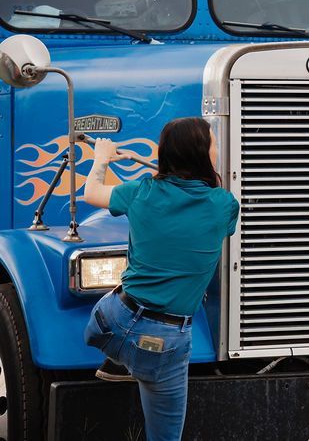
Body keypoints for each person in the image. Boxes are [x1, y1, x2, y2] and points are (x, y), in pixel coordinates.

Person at [82, 117, 239, 441]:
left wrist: (102, 157)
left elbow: (92, 193)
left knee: (110, 331)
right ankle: (136, 360)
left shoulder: (141, 190)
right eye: (213, 144)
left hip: (110, 319)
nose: (217, 149)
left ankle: (123, 357)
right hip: (163, 341)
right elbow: (211, 203)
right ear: (201, 155)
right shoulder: (224, 205)